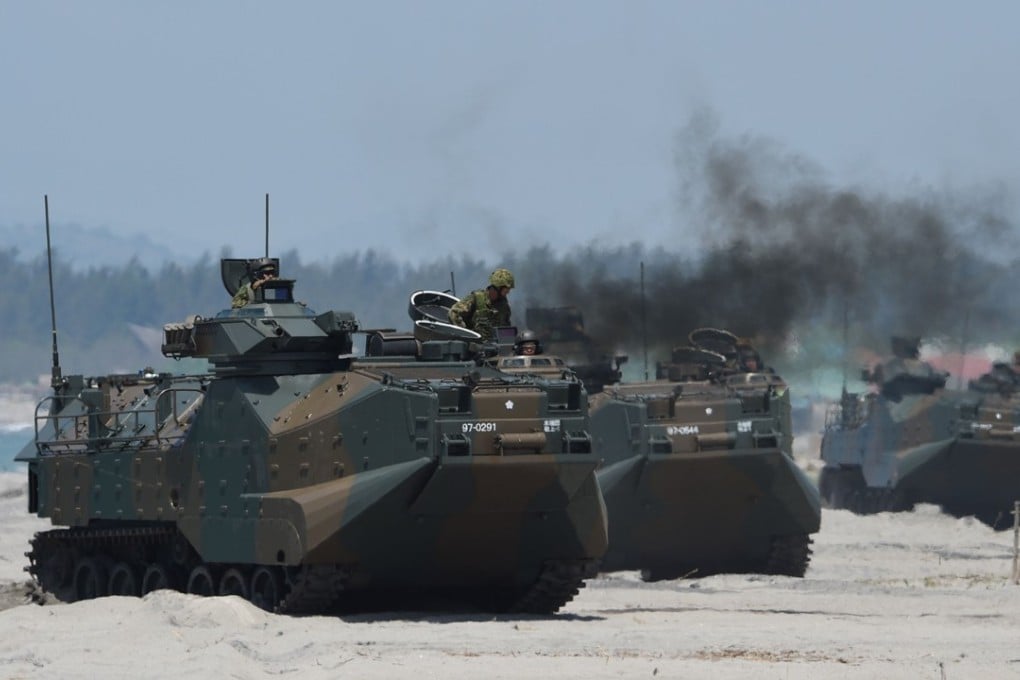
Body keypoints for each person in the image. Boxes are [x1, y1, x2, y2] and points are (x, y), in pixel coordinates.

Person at [448, 268, 514, 342]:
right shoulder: (477, 298)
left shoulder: (504, 306)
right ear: (498, 288)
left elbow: (506, 328)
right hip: (474, 347)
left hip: (496, 348)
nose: (508, 292)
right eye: (506, 290)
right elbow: (453, 313)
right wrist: (466, 334)